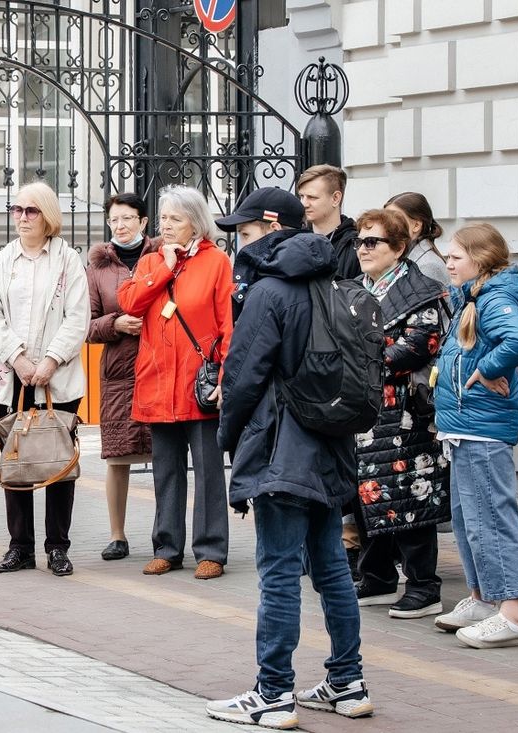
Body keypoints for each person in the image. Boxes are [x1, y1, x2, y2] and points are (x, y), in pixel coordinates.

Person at [206, 219, 372, 729]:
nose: (241, 241)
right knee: (332, 570)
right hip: (332, 448)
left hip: (281, 450)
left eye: (247, 231)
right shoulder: (342, 289)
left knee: (278, 572)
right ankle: (348, 681)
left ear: (269, 239)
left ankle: (273, 693)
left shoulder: (270, 292)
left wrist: (227, 439)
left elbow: (241, 375)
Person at [431, 223, 518, 649]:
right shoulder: (472, 297)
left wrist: (490, 368)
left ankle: (511, 614)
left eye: (457, 256)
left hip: (483, 431)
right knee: (468, 520)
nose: (449, 262)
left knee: (491, 520)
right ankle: (482, 598)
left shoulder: (493, 297)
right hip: (464, 428)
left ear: (481, 258)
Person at [118, 185, 232, 580]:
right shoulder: (152, 262)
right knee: (165, 470)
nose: (166, 226)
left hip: (198, 382)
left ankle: (211, 549)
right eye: (163, 218)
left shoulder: (216, 261)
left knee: (208, 469)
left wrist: (224, 375)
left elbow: (226, 325)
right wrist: (164, 266)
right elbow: (129, 303)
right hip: (158, 382)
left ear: (196, 223)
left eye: (175, 219)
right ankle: (167, 546)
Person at [0, 181, 90, 577]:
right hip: (11, 378)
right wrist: (19, 359)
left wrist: (48, 361)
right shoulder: (0, 262)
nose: (22, 217)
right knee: (16, 461)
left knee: (57, 459)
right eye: (17, 209)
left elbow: (78, 317)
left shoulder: (68, 261)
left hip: (56, 378)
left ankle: (57, 547)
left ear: (49, 217)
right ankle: (20, 546)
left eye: (31, 211)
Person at [348, 209, 450, 620]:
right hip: (364, 410)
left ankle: (424, 587)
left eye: (373, 242)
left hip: (406, 411)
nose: (363, 249)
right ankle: (377, 578)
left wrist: (358, 362)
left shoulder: (422, 290)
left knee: (411, 496)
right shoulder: (351, 288)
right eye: (359, 241)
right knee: (367, 496)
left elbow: (416, 347)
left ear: (399, 247)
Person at [86, 193, 160, 561]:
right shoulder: (99, 267)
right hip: (118, 371)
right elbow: (86, 323)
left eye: (128, 218)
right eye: (115, 220)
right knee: (118, 458)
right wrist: (115, 324)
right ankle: (118, 535)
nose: (121, 226)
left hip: (160, 365)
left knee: (165, 454)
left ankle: (166, 534)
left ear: (144, 222)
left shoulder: (161, 257)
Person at [215, 186, 306, 323]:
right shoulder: (310, 270)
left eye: (246, 234)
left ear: (274, 230)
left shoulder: (265, 290)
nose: (242, 245)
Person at [297, 164, 361, 279]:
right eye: (302, 196)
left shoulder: (357, 245)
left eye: (312, 197)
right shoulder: (295, 240)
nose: (304, 204)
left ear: (336, 198)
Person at [384, 191, 450, 285]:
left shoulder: (428, 266)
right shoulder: (402, 256)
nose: (385, 225)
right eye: (384, 218)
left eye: (394, 218)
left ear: (416, 225)